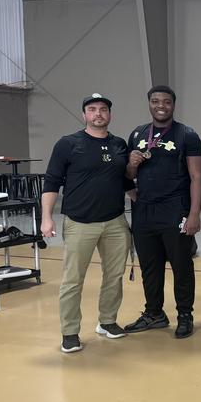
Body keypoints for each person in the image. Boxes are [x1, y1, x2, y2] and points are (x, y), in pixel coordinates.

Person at [41, 93, 133, 353]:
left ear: (110, 114)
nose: (98, 114)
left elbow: (125, 182)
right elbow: (52, 182)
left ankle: (107, 321)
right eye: (92, 109)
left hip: (115, 222)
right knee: (73, 280)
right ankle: (70, 332)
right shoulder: (68, 144)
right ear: (84, 115)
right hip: (80, 222)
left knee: (113, 276)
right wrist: (46, 217)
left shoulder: (119, 144)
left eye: (103, 109)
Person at [123, 85, 201, 339]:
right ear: (149, 103)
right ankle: (154, 313)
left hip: (175, 210)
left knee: (181, 265)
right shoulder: (137, 134)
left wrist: (193, 215)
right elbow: (127, 177)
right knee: (150, 266)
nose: (161, 105)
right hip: (144, 212)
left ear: (173, 105)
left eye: (166, 102)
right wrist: (131, 166)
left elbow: (197, 177)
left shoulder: (186, 135)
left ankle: (184, 315)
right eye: (156, 101)